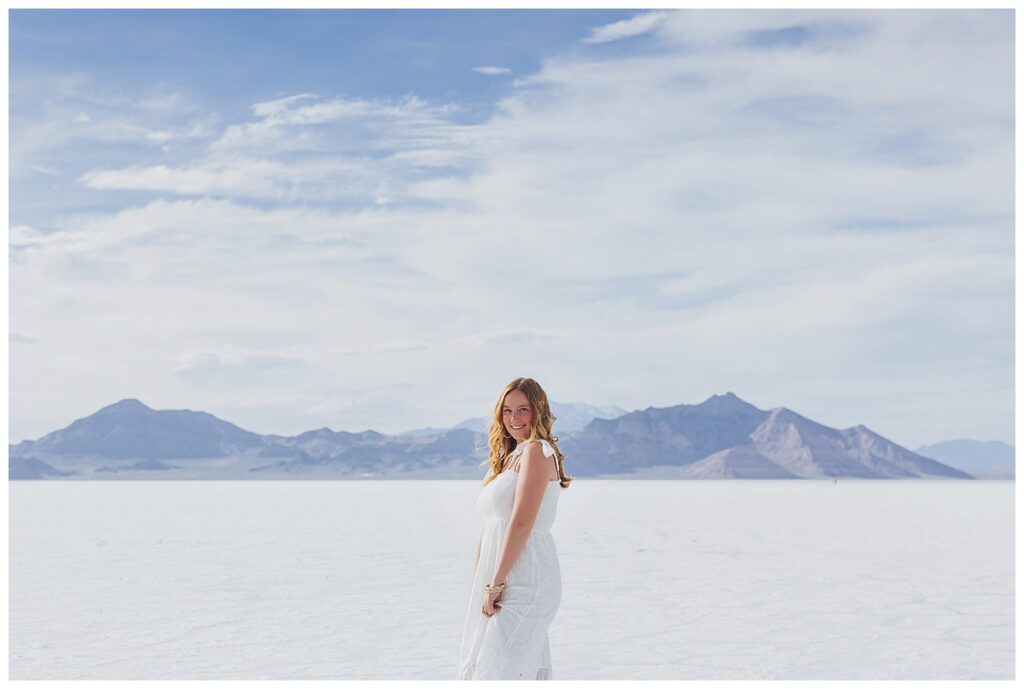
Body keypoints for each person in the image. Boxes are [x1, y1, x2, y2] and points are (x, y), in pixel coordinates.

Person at [458, 376, 573, 680]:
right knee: (506, 669)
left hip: (527, 580)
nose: (514, 419)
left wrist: (495, 583)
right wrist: (482, 577)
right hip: (502, 578)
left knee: (496, 671)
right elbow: (494, 524)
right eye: (507, 411)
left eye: (523, 410)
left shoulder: (537, 451)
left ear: (539, 411)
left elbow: (522, 524)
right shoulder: (512, 456)